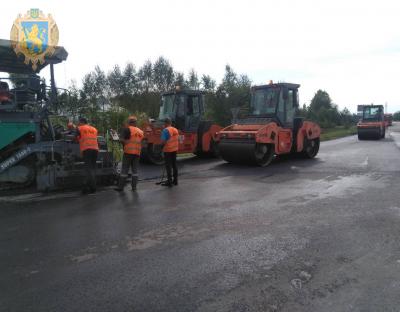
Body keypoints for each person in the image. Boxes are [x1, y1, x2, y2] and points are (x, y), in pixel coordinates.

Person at [115, 116, 144, 192]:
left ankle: (120, 187)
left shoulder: (127, 129)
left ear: (129, 122)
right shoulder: (140, 131)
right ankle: (134, 188)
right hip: (137, 153)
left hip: (128, 152)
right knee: (135, 171)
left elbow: (121, 140)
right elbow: (142, 142)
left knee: (124, 170)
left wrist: (121, 141)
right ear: (135, 123)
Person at [76, 117, 99, 194]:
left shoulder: (80, 128)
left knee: (88, 169)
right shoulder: (94, 129)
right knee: (92, 168)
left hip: (87, 149)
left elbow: (75, 138)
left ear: (82, 122)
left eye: (78, 122)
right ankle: (87, 187)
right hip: (95, 149)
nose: (78, 123)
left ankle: (92, 188)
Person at [160, 117, 179, 187]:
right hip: (174, 149)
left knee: (168, 166)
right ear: (170, 123)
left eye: (164, 123)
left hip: (168, 150)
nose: (163, 124)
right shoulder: (175, 130)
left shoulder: (165, 130)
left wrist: (161, 148)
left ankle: (169, 181)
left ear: (166, 123)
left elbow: (163, 141)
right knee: (174, 165)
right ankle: (175, 180)